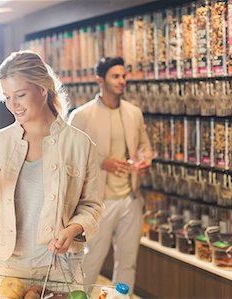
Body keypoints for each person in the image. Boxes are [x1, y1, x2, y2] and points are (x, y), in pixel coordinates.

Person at [0, 50, 103, 285]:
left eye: (20, 95)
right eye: (6, 98)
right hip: (9, 266)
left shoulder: (80, 144)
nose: (13, 105)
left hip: (61, 266)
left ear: (42, 89)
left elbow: (92, 206)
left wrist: (72, 229)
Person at [68, 57, 152, 292]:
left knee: (128, 263)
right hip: (98, 203)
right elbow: (68, 157)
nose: (122, 81)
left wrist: (145, 161)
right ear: (100, 80)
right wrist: (102, 163)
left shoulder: (134, 113)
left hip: (130, 199)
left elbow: (144, 146)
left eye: (124, 76)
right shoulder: (81, 116)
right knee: (89, 261)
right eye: (116, 76)